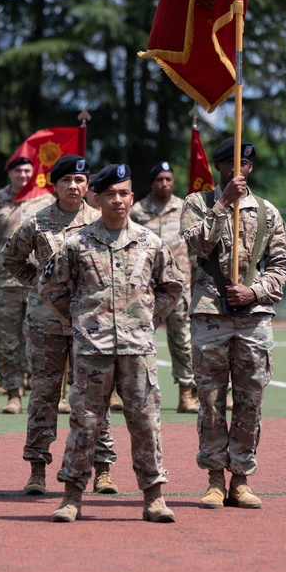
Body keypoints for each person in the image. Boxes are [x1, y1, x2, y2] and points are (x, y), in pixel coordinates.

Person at [39, 163, 183, 522]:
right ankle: (71, 498)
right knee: (85, 424)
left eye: (124, 193)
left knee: (145, 422)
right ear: (96, 198)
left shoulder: (151, 242)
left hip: (137, 350)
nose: (118, 200)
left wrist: (149, 316)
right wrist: (78, 321)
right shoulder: (77, 243)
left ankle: (153, 497)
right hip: (92, 351)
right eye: (110, 194)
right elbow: (51, 288)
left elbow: (173, 286)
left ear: (132, 197)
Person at [180, 138, 286, 509]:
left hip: (252, 318)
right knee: (211, 400)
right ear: (218, 167)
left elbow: (282, 264)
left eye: (242, 164)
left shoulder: (267, 212)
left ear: (250, 168)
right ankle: (214, 478)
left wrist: (256, 292)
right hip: (211, 314)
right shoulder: (197, 204)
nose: (236, 169)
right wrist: (223, 202)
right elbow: (197, 246)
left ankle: (240, 478)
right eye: (228, 163)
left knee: (250, 399)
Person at [3, 155, 120, 496]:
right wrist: (39, 284)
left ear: (89, 187)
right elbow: (11, 258)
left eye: (80, 181)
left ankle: (103, 470)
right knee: (44, 395)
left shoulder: (102, 222)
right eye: (66, 180)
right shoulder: (37, 223)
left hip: (90, 323)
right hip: (46, 324)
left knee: (95, 397)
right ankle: (37, 469)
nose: (74, 186)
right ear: (55, 185)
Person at [0, 156, 53, 413]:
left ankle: (43, 394)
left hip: (37, 283)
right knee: (7, 343)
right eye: (18, 170)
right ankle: (13, 394)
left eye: (28, 170)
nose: (24, 175)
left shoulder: (46, 200)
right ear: (9, 173)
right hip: (4, 283)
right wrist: (0, 255)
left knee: (42, 340)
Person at [129, 161, 199, 413]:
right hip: (145, 287)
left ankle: (187, 393)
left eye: (168, 179)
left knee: (183, 340)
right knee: (138, 339)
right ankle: (134, 394)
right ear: (151, 183)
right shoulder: (137, 211)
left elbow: (195, 245)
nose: (165, 183)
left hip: (178, 285)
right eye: (159, 179)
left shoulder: (184, 208)